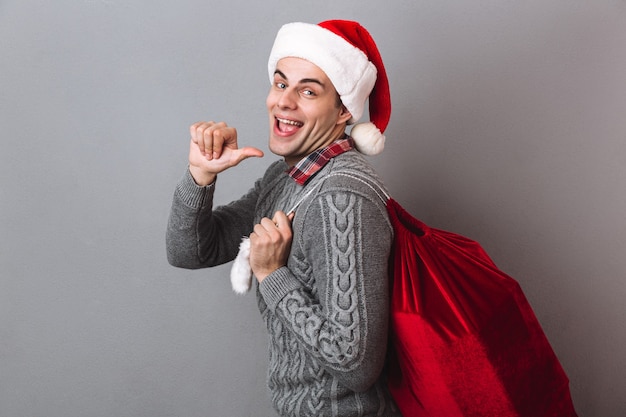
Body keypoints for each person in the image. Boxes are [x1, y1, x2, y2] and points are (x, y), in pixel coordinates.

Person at [166, 20, 402, 417]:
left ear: (344, 110)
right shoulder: (286, 177)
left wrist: (273, 275)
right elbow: (190, 251)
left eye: (307, 91)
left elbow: (356, 364)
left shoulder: (341, 197)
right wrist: (200, 176)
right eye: (280, 84)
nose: (284, 102)